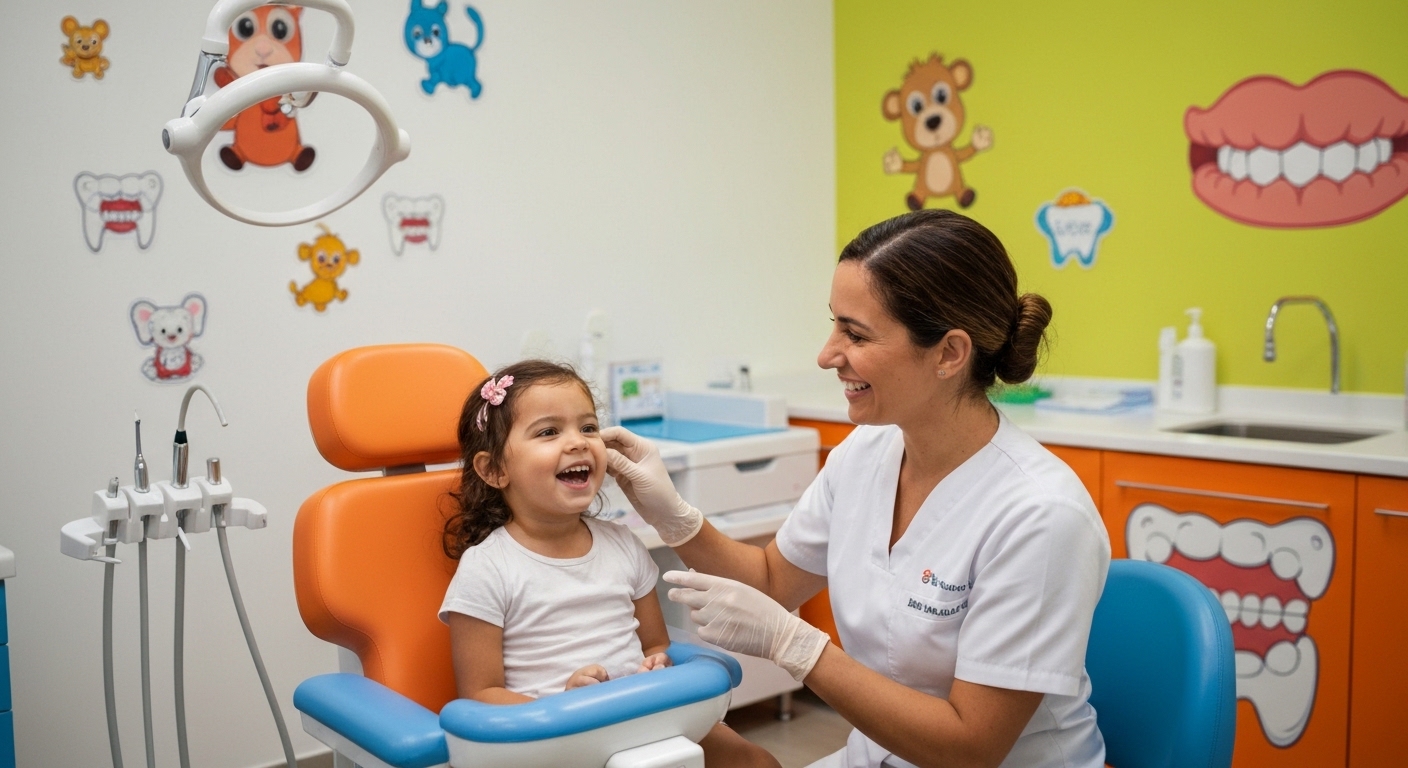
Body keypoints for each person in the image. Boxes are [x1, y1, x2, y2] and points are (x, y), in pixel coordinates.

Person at [604, 209, 1111, 768]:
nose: (826, 355)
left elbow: (971, 748)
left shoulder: (1040, 516)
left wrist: (798, 648)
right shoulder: (866, 456)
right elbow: (773, 581)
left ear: (949, 353)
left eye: (856, 333)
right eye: (834, 323)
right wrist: (674, 516)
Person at [437, 360, 780, 768]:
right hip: (554, 742)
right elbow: (480, 695)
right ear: (494, 470)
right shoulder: (487, 568)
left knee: (755, 761)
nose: (579, 442)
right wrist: (564, 704)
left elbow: (655, 645)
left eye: (587, 427)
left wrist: (657, 664)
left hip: (640, 722)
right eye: (548, 432)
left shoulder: (622, 545)